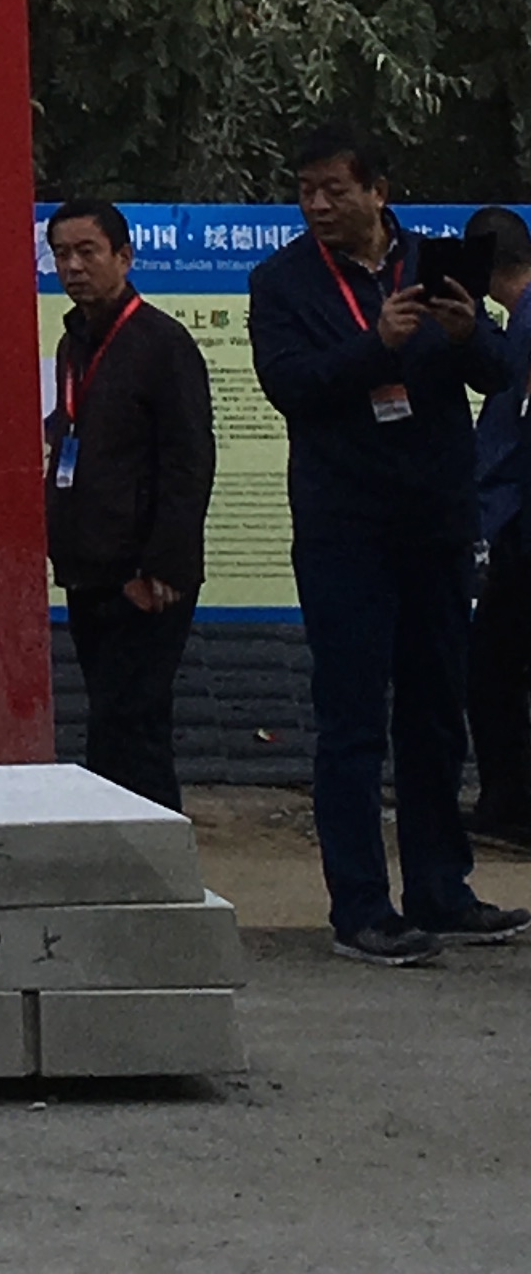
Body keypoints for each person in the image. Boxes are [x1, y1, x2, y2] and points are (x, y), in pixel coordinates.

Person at [247, 125, 526, 965]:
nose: (318, 205)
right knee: (354, 718)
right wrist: (380, 345)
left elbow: (499, 375)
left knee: (436, 712)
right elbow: (290, 386)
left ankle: (442, 888)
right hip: (346, 528)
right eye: (306, 191)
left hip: (436, 520)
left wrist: (468, 331)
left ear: (378, 191)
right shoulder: (282, 281)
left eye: (334, 189)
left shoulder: (433, 262)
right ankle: (362, 907)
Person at [44, 198, 215, 811]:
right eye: (61, 253)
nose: (73, 266)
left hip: (144, 572)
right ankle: (118, 837)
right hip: (87, 563)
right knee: (111, 716)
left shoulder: (161, 342)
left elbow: (189, 459)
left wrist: (163, 564)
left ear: (124, 256)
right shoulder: (74, 343)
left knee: (131, 723)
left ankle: (150, 841)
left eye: (87, 251)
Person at [459, 203, 531, 850]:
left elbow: (513, 421)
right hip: (513, 514)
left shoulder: (525, 324)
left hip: (519, 518)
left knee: (494, 668)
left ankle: (511, 802)